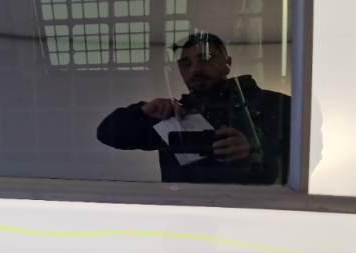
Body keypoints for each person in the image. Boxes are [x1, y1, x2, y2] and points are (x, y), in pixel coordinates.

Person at [96, 32, 290, 185]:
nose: (195, 69)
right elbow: (108, 134)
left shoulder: (276, 104)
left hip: (253, 214)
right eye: (185, 63)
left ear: (227, 64)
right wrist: (143, 112)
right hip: (188, 214)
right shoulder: (174, 115)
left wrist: (257, 150)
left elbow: (299, 162)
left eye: (206, 58)